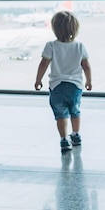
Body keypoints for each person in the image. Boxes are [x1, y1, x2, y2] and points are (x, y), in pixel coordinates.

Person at [35, 11, 92, 152]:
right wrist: (89, 80)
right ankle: (76, 134)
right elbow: (86, 66)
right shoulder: (80, 46)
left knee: (60, 114)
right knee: (75, 111)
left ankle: (64, 139)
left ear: (55, 28)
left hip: (57, 87)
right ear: (75, 29)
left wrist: (38, 79)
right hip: (75, 86)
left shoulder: (51, 46)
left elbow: (44, 64)